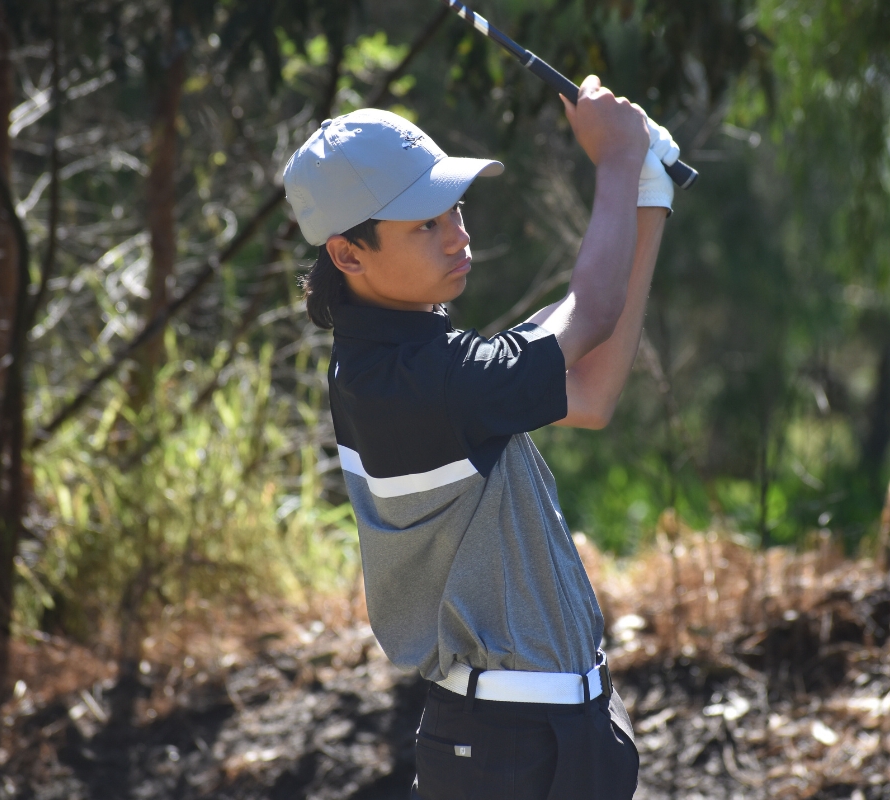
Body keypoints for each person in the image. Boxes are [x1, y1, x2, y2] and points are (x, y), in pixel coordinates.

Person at [282, 75, 676, 800]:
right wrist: (616, 164)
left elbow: (589, 393)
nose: (458, 233)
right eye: (424, 225)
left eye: (454, 207)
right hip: (501, 750)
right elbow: (587, 315)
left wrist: (647, 192)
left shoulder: (424, 356)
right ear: (347, 255)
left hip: (570, 728)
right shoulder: (412, 381)